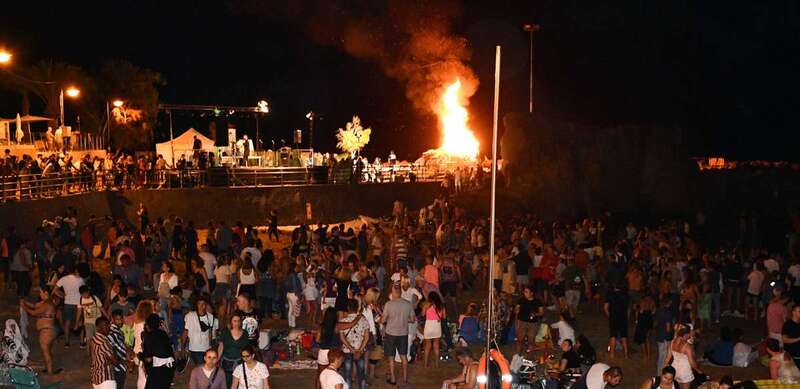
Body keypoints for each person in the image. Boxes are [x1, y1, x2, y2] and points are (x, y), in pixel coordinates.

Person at [19, 286, 60, 375]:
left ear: (46, 293)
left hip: (47, 331)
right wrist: (25, 302)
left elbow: (34, 312)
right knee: (47, 351)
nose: (40, 294)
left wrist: (23, 306)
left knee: (46, 352)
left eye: (41, 292)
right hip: (49, 330)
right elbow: (34, 306)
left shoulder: (47, 304)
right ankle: (48, 368)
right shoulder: (46, 302)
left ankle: (50, 372)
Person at [381, 284, 415, 386]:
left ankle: (393, 378)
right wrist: (404, 319)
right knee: (404, 356)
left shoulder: (389, 304)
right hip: (403, 333)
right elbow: (413, 320)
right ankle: (404, 379)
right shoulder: (408, 304)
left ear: (394, 292)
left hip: (391, 333)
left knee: (391, 357)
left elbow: (383, 320)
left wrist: (385, 319)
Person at [338, 299, 369, 389]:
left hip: (347, 351)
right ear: (357, 308)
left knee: (347, 375)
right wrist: (358, 350)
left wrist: (351, 349)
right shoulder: (363, 320)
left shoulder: (343, 320)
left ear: (348, 308)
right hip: (360, 350)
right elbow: (366, 337)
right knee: (361, 375)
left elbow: (342, 338)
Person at [140, 313, 175, 389]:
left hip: (157, 371)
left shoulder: (149, 336)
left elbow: (148, 358)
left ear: (148, 325)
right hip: (169, 369)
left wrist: (140, 356)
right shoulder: (163, 334)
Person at [182, 296, 217, 367]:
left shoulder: (210, 317)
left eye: (203, 304)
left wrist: (211, 346)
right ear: (196, 305)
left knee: (202, 367)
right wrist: (182, 347)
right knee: (201, 367)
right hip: (194, 348)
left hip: (206, 348)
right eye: (199, 304)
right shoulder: (190, 316)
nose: (201, 306)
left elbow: (210, 333)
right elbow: (186, 332)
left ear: (206, 305)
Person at [55, 265, 84, 348]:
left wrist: (63, 295)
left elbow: (55, 290)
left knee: (67, 322)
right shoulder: (80, 279)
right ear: (75, 270)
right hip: (79, 303)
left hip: (68, 303)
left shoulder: (63, 279)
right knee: (80, 321)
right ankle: (82, 342)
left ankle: (67, 342)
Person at [218, 313, 249, 387]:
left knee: (239, 384)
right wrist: (217, 359)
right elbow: (221, 347)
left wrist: (248, 361)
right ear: (231, 322)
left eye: (238, 321)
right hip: (226, 363)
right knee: (227, 383)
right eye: (235, 321)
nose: (237, 323)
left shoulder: (245, 333)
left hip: (239, 363)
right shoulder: (225, 332)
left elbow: (245, 350)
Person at [90, 316, 119, 389]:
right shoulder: (103, 342)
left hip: (96, 377)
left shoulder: (94, 339)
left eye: (108, 325)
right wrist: (114, 349)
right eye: (104, 325)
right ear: (97, 327)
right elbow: (115, 361)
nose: (107, 327)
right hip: (106, 378)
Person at [316, 308, 340, 389]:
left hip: (323, 352)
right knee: (333, 375)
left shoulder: (321, 327)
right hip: (333, 353)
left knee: (320, 375)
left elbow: (317, 340)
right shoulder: (337, 326)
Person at [515, 286, 543, 354]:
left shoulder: (537, 301)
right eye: (524, 292)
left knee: (531, 339)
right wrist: (516, 310)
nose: (524, 293)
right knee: (520, 339)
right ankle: (518, 354)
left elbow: (541, 313)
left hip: (533, 323)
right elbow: (516, 308)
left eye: (526, 292)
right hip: (522, 322)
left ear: (531, 293)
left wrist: (535, 314)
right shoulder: (521, 300)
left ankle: (530, 355)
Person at [604, 283, 629, 359]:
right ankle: (626, 354)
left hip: (614, 317)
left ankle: (612, 354)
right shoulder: (626, 295)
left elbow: (605, 308)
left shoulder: (610, 295)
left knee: (613, 335)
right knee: (624, 336)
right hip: (623, 317)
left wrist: (609, 315)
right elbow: (628, 308)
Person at [423, 291, 446, 368]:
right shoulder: (441, 305)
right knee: (436, 345)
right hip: (437, 325)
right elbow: (444, 317)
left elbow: (423, 314)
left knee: (427, 346)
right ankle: (437, 364)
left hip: (429, 324)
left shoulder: (427, 304)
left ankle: (426, 364)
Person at [76, 284, 103, 349]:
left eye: (86, 293)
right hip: (88, 322)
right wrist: (77, 322)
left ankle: (98, 350)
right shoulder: (80, 300)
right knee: (89, 338)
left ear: (88, 292)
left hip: (97, 321)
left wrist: (107, 316)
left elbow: (101, 308)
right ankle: (89, 352)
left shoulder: (94, 298)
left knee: (98, 337)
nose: (85, 295)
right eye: (83, 294)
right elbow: (79, 312)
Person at [108, 310, 130, 389]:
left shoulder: (117, 330)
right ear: (112, 319)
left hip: (119, 363)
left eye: (121, 319)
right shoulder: (112, 332)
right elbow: (112, 349)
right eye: (117, 319)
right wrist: (124, 360)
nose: (120, 321)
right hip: (118, 364)